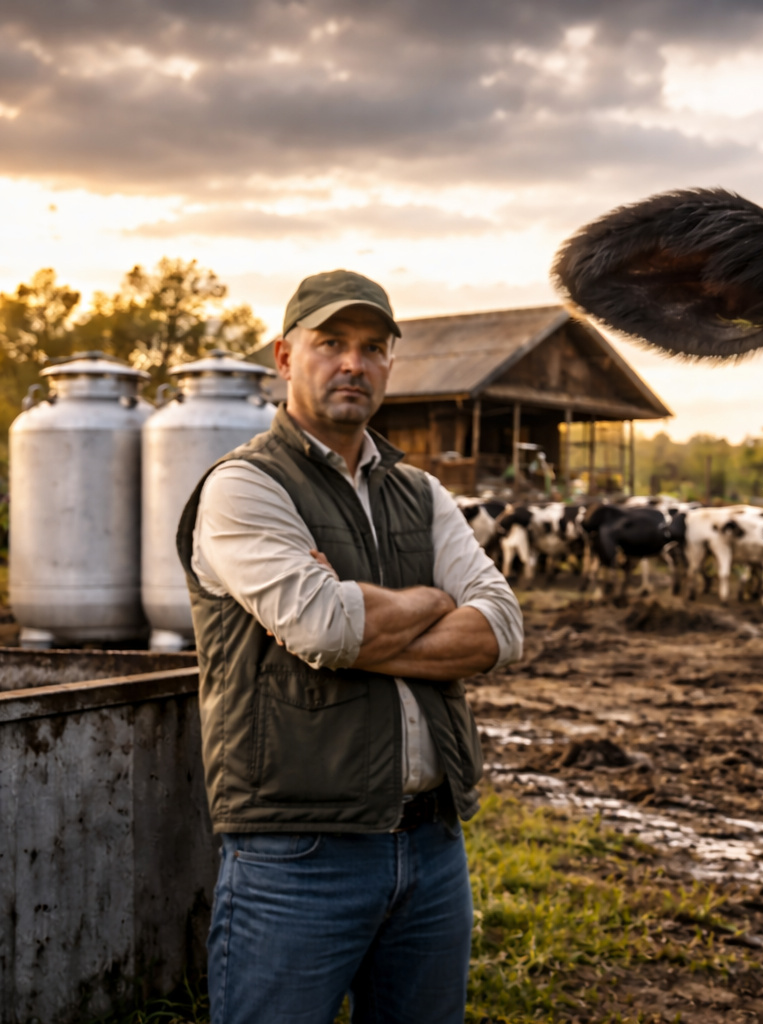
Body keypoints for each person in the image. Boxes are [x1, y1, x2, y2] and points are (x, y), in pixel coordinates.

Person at [176, 269, 523, 1023]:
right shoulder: (243, 486)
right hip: (297, 853)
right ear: (283, 356)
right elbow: (323, 628)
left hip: (432, 848)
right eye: (330, 343)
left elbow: (500, 626)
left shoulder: (420, 491)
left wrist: (359, 619)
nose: (352, 364)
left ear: (390, 362)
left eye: (372, 347)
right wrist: (431, 604)